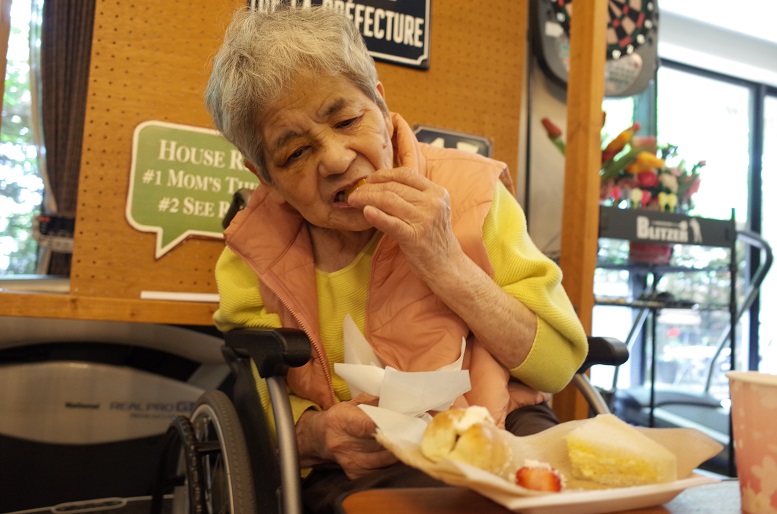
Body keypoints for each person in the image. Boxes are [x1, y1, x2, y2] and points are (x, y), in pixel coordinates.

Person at [205, 5, 588, 513]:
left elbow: (558, 366)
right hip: (361, 462)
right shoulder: (253, 254)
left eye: (347, 120)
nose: (336, 158)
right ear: (265, 178)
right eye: (295, 153)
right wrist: (316, 433)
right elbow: (257, 405)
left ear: (382, 108)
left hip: (502, 428)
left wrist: (445, 260)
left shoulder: (474, 195)